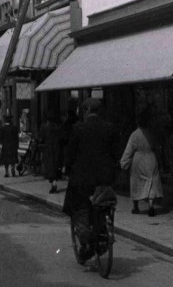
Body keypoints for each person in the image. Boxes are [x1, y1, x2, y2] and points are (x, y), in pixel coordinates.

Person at [62, 97, 118, 264]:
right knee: (102, 206)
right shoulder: (110, 128)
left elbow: (70, 154)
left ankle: (85, 239)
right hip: (104, 179)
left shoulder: (78, 128)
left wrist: (66, 168)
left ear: (85, 111)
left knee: (78, 207)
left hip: (82, 179)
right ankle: (102, 234)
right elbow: (115, 153)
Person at [120, 105, 164, 217]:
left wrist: (124, 162)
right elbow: (157, 146)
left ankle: (135, 206)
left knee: (136, 182)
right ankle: (151, 204)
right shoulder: (151, 133)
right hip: (151, 158)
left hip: (139, 160)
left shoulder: (135, 135)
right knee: (152, 182)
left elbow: (129, 150)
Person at [39, 108, 63, 194]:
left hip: (48, 148)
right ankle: (54, 182)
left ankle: (53, 183)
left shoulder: (44, 126)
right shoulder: (58, 126)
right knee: (56, 165)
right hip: (57, 148)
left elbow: (41, 138)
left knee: (49, 166)